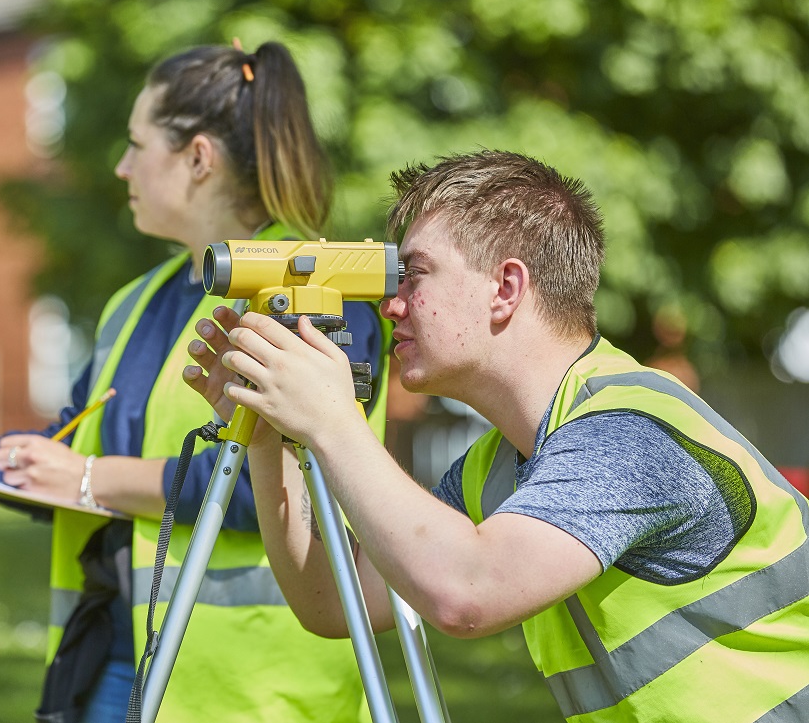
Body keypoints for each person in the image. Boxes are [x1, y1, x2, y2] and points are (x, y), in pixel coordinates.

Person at [0, 41, 391, 723]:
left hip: (255, 692)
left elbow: (267, 489)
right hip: (114, 655)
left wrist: (90, 478)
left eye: (137, 145)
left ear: (197, 159)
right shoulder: (134, 302)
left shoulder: (315, 286)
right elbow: (60, 453)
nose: (120, 165)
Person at [185, 150, 809, 722]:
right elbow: (331, 600)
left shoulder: (628, 434)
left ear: (506, 288)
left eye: (415, 274)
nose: (390, 305)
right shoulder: (502, 465)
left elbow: (467, 594)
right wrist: (268, 442)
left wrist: (332, 420)